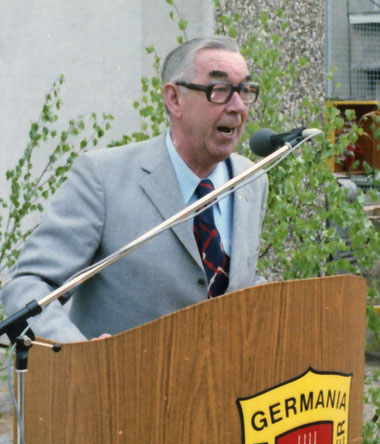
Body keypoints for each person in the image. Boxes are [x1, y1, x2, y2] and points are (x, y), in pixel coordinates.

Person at [1, 36, 268, 342]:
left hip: (226, 385)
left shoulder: (251, 179)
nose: (237, 106)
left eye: (245, 91)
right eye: (219, 91)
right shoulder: (103, 178)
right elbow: (29, 284)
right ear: (174, 99)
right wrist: (79, 354)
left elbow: (231, 283)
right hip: (122, 384)